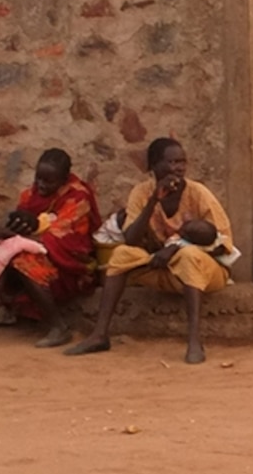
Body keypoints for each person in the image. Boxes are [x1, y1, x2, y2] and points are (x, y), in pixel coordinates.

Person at [66, 137, 232, 364]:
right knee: (121, 254)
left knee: (189, 255)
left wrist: (176, 248)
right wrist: (154, 200)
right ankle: (100, 334)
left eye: (182, 162)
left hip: (204, 272)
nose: (178, 168)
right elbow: (131, 239)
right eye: (171, 162)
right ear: (154, 166)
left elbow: (224, 245)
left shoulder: (198, 193)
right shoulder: (141, 193)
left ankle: (194, 340)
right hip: (162, 267)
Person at [0, 147, 98, 351]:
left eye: (48, 181)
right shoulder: (31, 194)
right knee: (3, 260)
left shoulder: (77, 198)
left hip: (72, 267)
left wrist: (7, 235)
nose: (40, 185)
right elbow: (19, 229)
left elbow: (57, 241)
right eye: (38, 178)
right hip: (38, 256)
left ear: (64, 179)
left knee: (21, 259)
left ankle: (59, 327)